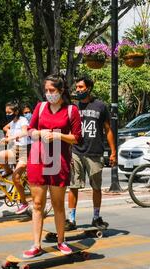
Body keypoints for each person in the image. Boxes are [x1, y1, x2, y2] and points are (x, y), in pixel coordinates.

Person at [23, 74, 82, 258]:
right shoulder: (40, 108)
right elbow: (29, 130)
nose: (49, 94)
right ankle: (36, 244)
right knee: (38, 204)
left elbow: (77, 137)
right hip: (38, 158)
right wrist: (39, 133)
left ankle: (61, 241)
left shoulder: (72, 110)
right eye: (46, 90)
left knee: (58, 204)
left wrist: (58, 136)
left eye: (52, 91)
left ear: (61, 91)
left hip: (59, 160)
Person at [66, 75, 116, 231]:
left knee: (96, 187)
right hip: (76, 151)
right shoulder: (73, 108)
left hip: (95, 152)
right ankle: (71, 219)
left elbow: (108, 129)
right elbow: (67, 130)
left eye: (81, 87)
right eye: (77, 87)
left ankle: (96, 217)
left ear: (89, 88)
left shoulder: (100, 106)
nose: (78, 90)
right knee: (73, 186)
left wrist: (113, 152)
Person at [0, 102, 31, 214]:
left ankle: (24, 203)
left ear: (16, 112)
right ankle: (8, 171)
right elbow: (5, 127)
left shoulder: (23, 120)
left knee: (16, 178)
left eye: (9, 112)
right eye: (6, 112)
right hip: (14, 149)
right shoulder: (13, 122)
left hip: (24, 151)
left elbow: (25, 132)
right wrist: (7, 131)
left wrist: (11, 137)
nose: (7, 114)